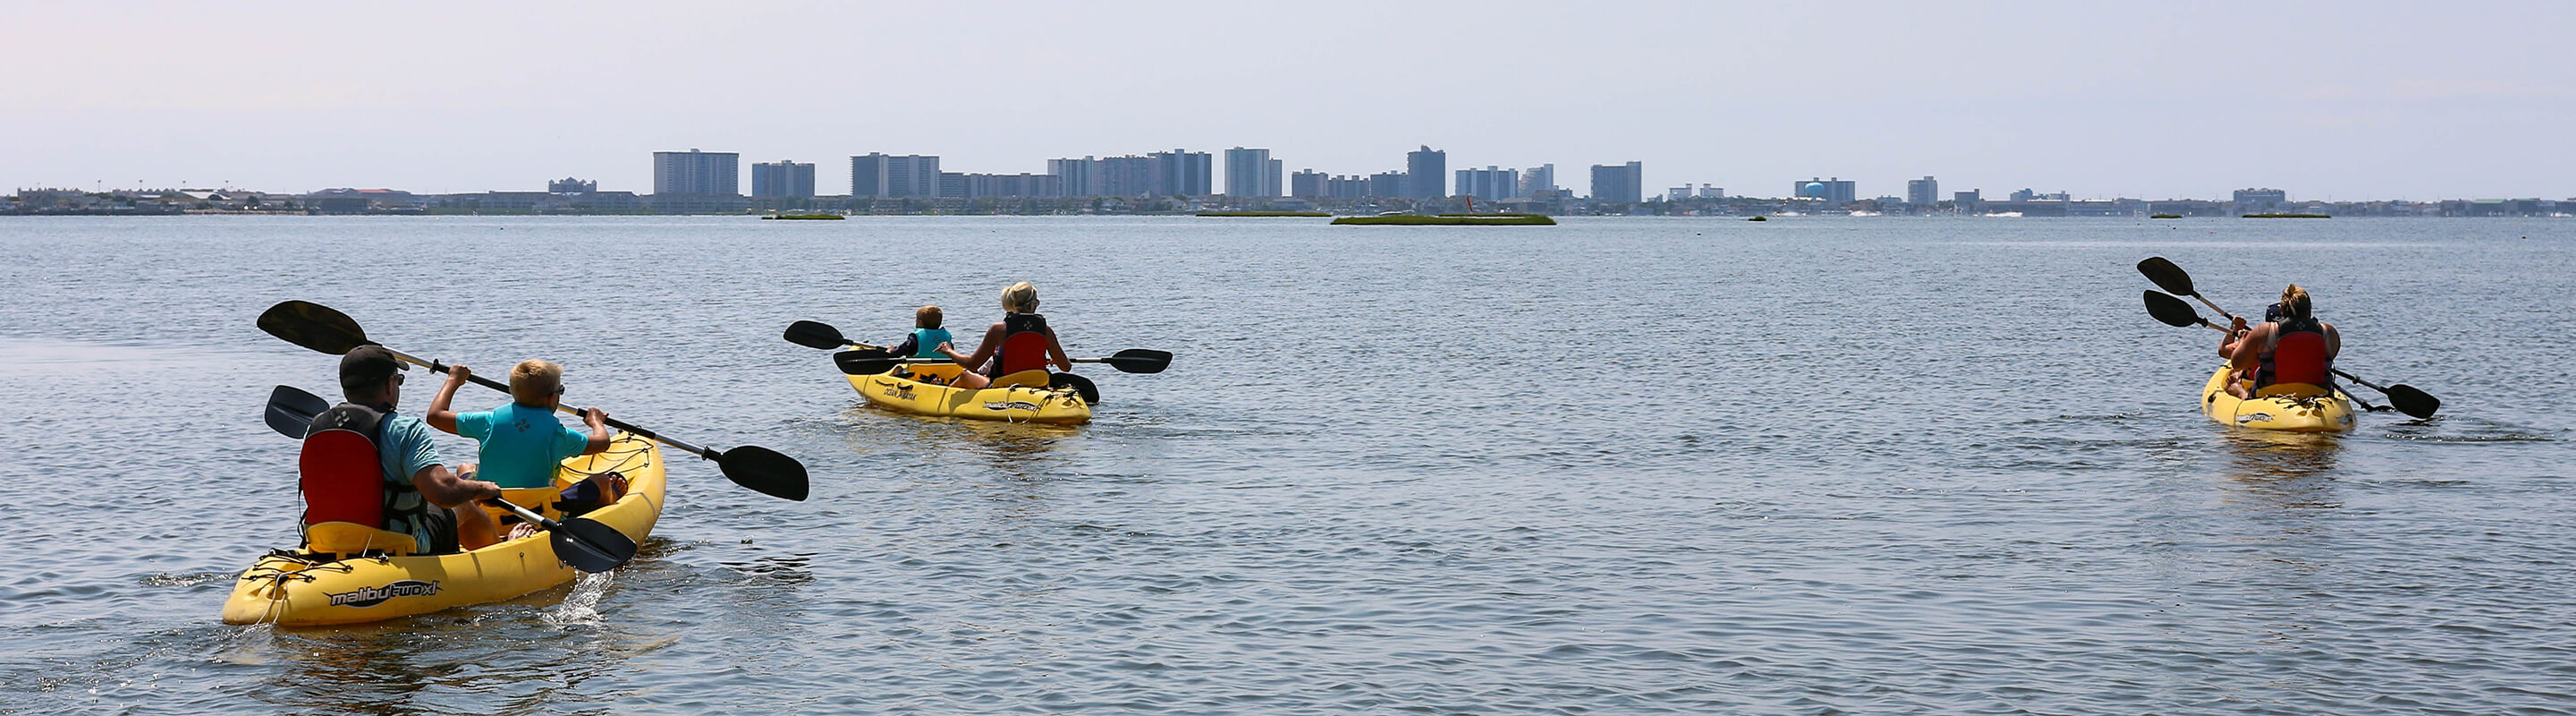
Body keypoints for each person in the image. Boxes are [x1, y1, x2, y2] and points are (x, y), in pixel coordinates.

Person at [309, 345, 507, 554]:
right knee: (465, 503)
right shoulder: (404, 429)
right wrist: (480, 489)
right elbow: (443, 492)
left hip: (327, 542)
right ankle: (502, 555)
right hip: (398, 545)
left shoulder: (316, 427)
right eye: (399, 380)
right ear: (390, 384)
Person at [425, 360, 617, 537]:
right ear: (551, 398)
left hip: (488, 513)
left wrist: (454, 380)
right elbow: (602, 443)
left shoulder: (489, 421)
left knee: (465, 468)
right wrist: (596, 421)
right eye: (561, 390)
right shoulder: (558, 435)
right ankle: (608, 509)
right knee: (602, 481)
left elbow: (435, 415)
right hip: (538, 516)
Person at [937, 281, 1073, 390]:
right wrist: (1054, 359)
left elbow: (972, 364)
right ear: (1033, 305)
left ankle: (943, 395)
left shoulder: (998, 329)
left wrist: (949, 351)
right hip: (1038, 384)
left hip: (1005, 386)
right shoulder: (1046, 330)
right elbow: (1066, 367)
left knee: (966, 374)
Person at [2219, 284, 2341, 398]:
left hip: (2269, 395)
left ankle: (2241, 394)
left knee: (2239, 386)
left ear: (2282, 310)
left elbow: (2238, 364)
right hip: (2319, 393)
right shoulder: (2329, 333)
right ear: (2309, 310)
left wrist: (2243, 341)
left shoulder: (2264, 332)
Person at [882, 305, 956, 361]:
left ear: (920, 322)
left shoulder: (916, 338)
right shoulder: (946, 337)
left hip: (918, 371)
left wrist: (890, 352)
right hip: (943, 370)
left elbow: (901, 350)